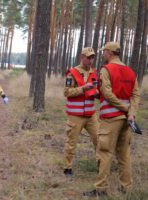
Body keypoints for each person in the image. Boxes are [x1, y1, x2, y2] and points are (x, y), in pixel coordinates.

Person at [83, 42, 140, 197]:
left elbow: (106, 93)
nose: (103, 54)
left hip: (111, 119)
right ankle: (126, 188)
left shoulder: (106, 70)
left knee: (104, 152)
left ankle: (100, 189)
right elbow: (135, 95)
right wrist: (131, 113)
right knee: (124, 154)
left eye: (104, 52)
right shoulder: (130, 71)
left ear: (109, 53)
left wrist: (124, 109)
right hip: (127, 120)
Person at [63, 47, 99, 176]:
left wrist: (97, 93)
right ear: (82, 57)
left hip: (91, 114)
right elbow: (66, 92)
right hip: (75, 115)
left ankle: (101, 165)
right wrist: (83, 88)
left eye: (92, 57)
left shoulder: (94, 72)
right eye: (88, 57)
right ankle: (67, 168)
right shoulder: (72, 72)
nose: (90, 60)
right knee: (71, 142)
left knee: (99, 140)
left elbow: (96, 90)